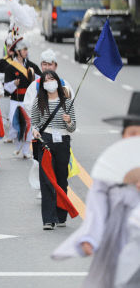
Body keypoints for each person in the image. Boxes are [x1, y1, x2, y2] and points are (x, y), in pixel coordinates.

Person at [52, 93, 140, 287]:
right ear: (123, 135)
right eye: (132, 133)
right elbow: (97, 209)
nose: (136, 139)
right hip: (118, 241)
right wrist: (90, 237)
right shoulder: (110, 169)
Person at [29, 70, 76, 230]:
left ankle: (61, 215)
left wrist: (69, 121)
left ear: (57, 81)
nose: (49, 82)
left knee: (62, 179)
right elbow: (34, 122)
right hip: (46, 140)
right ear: (42, 84)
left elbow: (73, 127)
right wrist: (35, 131)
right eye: (46, 80)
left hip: (63, 141)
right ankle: (48, 219)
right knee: (47, 179)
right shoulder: (38, 102)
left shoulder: (67, 103)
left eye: (52, 79)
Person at [3, 37, 41, 157]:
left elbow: (40, 80)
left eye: (26, 49)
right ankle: (18, 146)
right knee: (16, 125)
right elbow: (6, 88)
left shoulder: (31, 66)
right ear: (18, 51)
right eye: (24, 49)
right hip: (15, 100)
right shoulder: (10, 67)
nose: (26, 51)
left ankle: (25, 150)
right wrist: (14, 84)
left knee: (28, 125)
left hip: (28, 100)